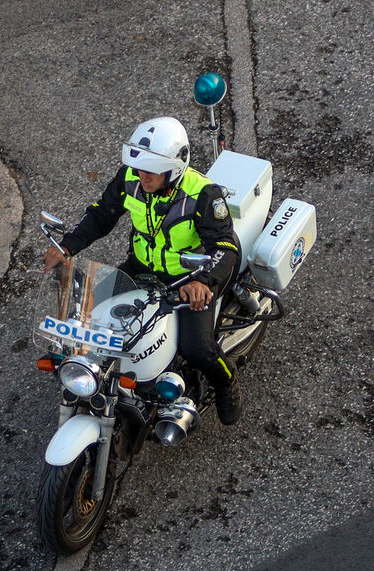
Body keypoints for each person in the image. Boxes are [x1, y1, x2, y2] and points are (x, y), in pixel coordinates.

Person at [43, 116, 243, 424]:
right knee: (88, 322)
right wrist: (66, 247)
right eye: (138, 168)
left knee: (197, 349)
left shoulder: (203, 195)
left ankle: (226, 382)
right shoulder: (131, 178)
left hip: (188, 278)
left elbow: (225, 248)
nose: (142, 177)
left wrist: (203, 280)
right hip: (140, 269)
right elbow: (102, 215)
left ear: (174, 167)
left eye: (151, 171)